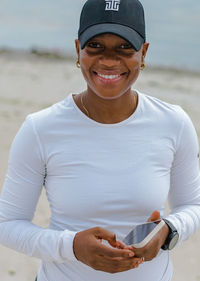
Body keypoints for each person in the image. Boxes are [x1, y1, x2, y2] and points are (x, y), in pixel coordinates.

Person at [0, 0, 200, 280]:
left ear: (143, 53)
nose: (108, 61)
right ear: (77, 50)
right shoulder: (40, 129)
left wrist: (170, 229)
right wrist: (71, 246)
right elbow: (7, 224)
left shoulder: (174, 123)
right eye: (95, 46)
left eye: (124, 48)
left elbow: (193, 205)